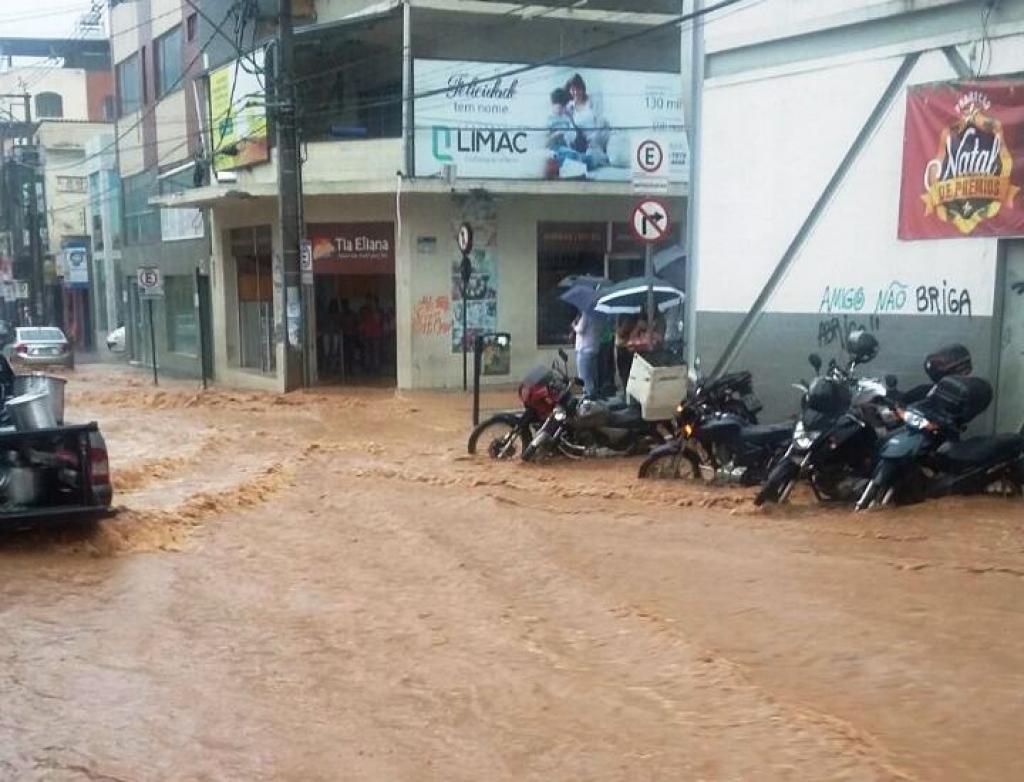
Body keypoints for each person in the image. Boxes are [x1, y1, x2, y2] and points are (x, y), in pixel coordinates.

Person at [566, 73, 609, 171]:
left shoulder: (592, 100)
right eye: (572, 89)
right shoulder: (570, 106)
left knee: (592, 156)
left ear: (582, 89)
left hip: (597, 137)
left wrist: (594, 137)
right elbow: (571, 128)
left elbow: (600, 121)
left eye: (577, 89)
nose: (575, 92)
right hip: (581, 141)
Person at [545, 87, 582, 178]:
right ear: (552, 104)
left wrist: (571, 118)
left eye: (563, 108)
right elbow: (543, 142)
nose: (560, 110)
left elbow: (573, 136)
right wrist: (555, 134)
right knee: (573, 156)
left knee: (587, 157)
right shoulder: (547, 120)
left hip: (566, 149)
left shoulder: (566, 118)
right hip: (553, 150)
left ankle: (575, 165)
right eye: (559, 107)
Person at [572, 310, 601, 397]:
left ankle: (589, 398)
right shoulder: (599, 315)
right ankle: (593, 396)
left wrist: (574, 325)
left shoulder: (586, 314)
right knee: (592, 376)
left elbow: (580, 329)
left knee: (584, 377)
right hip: (594, 349)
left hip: (584, 350)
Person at [360, 296, 383, 373]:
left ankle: (376, 368)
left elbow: (379, 320)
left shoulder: (378, 311)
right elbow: (362, 322)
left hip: (376, 334)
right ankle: (368, 368)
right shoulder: (365, 311)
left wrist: (374, 311)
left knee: (376, 353)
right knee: (367, 353)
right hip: (367, 334)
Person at [339, 299, 358, 377]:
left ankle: (350, 369)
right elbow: (340, 325)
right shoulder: (342, 315)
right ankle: (347, 369)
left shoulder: (351, 314)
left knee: (350, 353)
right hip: (345, 335)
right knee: (346, 353)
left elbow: (356, 323)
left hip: (351, 335)